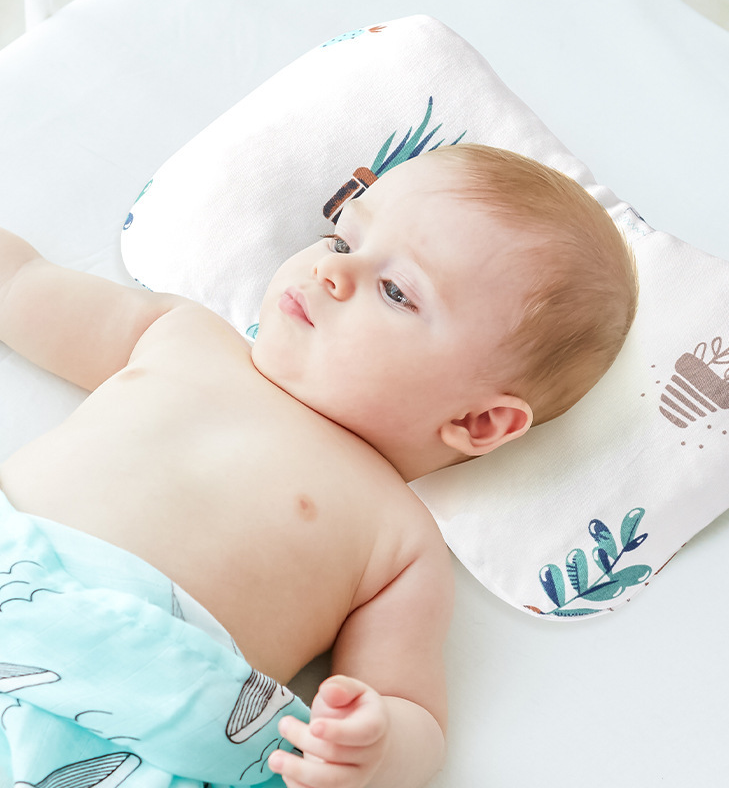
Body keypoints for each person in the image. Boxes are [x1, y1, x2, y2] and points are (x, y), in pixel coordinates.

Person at [0, 143, 637, 788]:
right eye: (341, 241)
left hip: (122, 726)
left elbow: (410, 711)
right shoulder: (180, 334)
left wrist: (375, 746)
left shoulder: (398, 540)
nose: (331, 270)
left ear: (478, 422)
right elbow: (21, 288)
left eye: (396, 292)